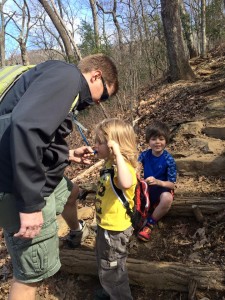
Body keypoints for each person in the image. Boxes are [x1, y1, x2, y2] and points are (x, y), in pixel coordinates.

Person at [0, 54, 119, 300]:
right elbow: (25, 127)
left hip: (34, 176)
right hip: (18, 186)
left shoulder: (54, 78)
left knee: (72, 191)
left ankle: (76, 231)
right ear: (96, 76)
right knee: (30, 277)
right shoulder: (67, 77)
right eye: (104, 95)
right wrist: (30, 204)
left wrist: (68, 153)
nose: (99, 102)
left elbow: (30, 129)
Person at [94, 118, 138, 300]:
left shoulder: (124, 168)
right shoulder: (108, 165)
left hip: (115, 230)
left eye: (99, 142)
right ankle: (109, 290)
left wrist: (118, 154)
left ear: (114, 146)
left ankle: (119, 295)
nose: (95, 145)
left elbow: (126, 182)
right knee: (105, 261)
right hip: (105, 225)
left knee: (112, 266)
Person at [137, 121, 177, 242]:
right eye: (154, 139)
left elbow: (172, 185)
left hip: (162, 189)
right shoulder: (144, 155)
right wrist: (138, 175)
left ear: (166, 141)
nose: (157, 142)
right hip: (147, 188)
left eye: (161, 139)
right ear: (148, 141)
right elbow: (137, 167)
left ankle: (150, 224)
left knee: (167, 198)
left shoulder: (169, 160)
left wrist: (159, 182)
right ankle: (137, 217)